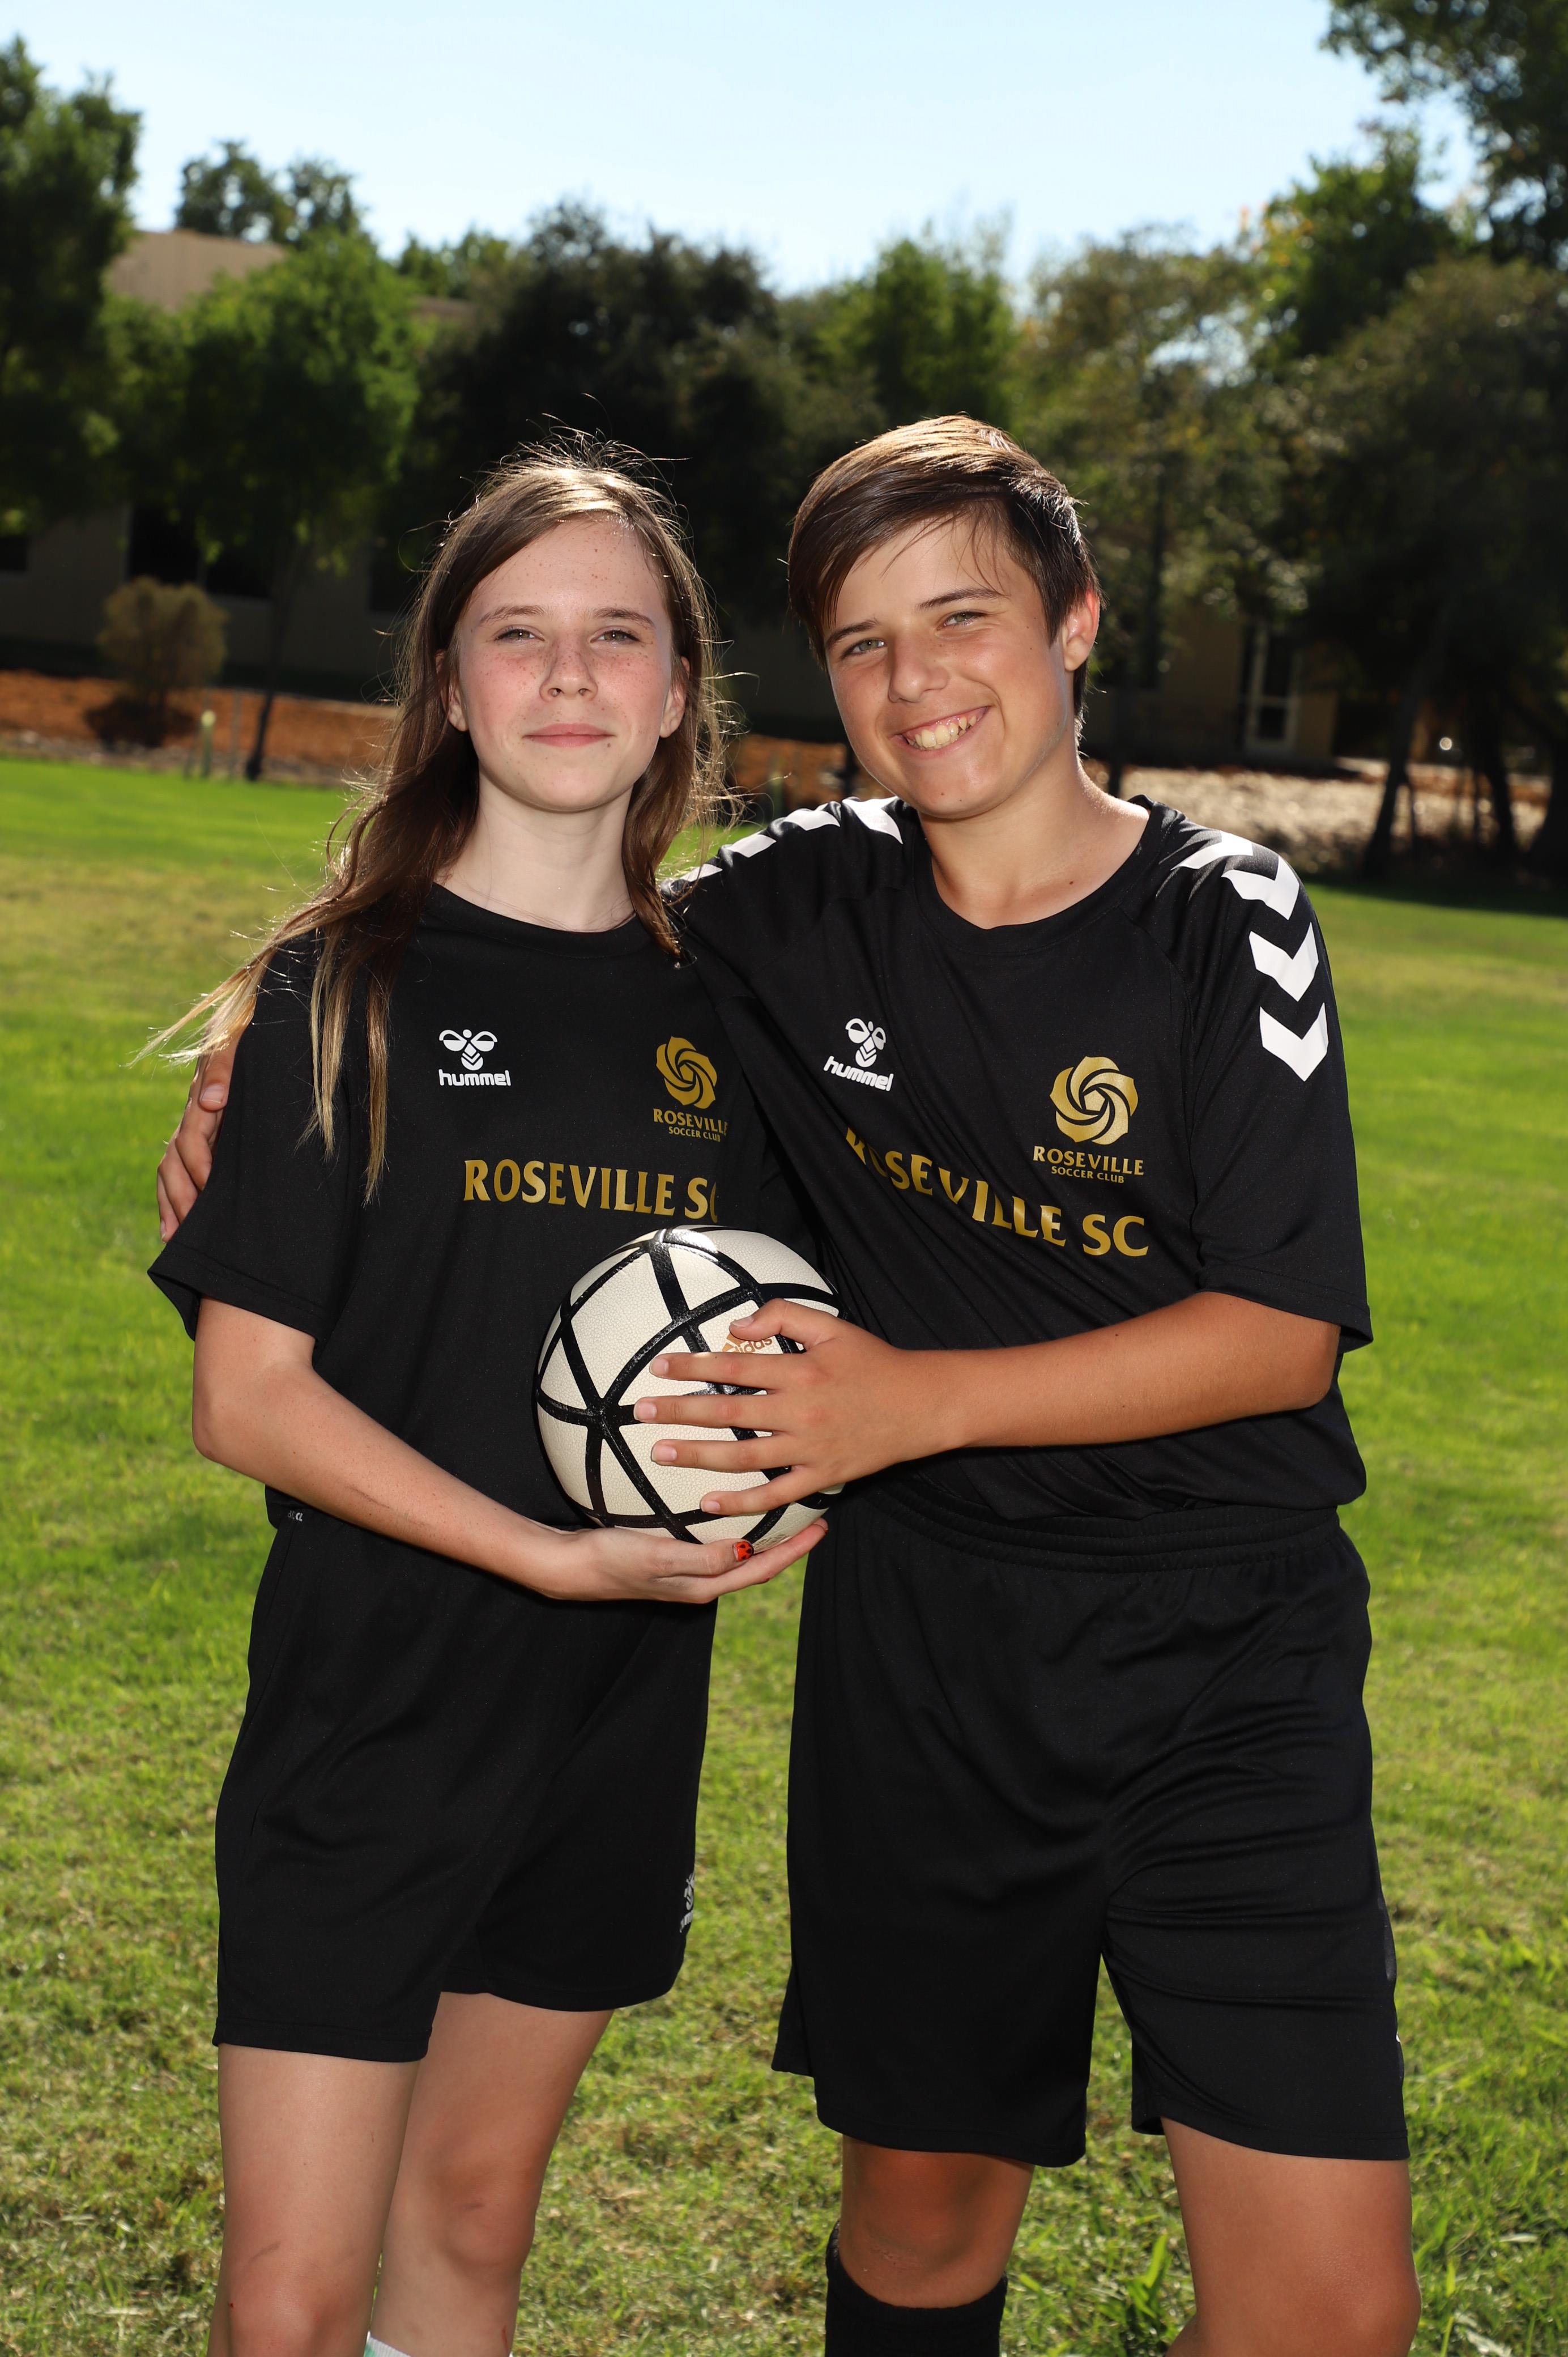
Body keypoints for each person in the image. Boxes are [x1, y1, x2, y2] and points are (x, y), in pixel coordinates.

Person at [160, 419, 1420, 2357]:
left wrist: (909, 1401)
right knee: (904, 2230)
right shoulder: (763, 918)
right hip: (872, 1664)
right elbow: (512, 957)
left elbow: (1284, 1329)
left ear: (1078, 622)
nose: (920, 681)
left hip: (1193, 1655)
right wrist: (264, 1050)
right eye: (862, 644)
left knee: (1325, 2310)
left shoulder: (1147, 924)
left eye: (965, 617)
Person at [146, 445, 825, 2357]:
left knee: (469, 2225)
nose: (570, 676)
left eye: (619, 636)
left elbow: (806, 1334)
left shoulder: (733, 1019)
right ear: (449, 684)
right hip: (371, 1709)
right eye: (517, 636)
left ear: (681, 689)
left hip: (614, 1723)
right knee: (291, 2301)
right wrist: (547, 1554)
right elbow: (248, 1400)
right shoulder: (341, 988)